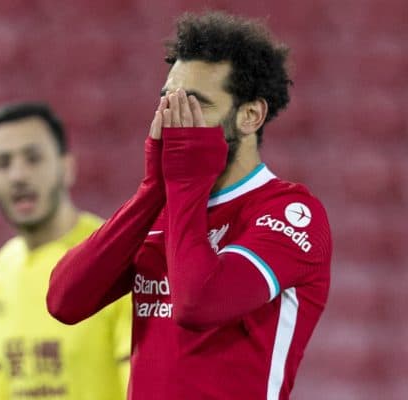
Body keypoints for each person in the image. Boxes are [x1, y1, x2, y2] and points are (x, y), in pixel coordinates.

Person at [47, 11, 331, 400]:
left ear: (250, 115)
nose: (174, 122)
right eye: (168, 103)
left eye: (195, 106)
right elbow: (65, 300)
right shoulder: (165, 206)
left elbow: (199, 303)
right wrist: (151, 191)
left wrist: (182, 182)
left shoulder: (289, 212)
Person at [0, 102, 131, 400]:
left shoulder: (114, 259)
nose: (18, 175)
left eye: (33, 158)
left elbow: (142, 385)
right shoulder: (1, 270)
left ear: (67, 167)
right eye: (3, 162)